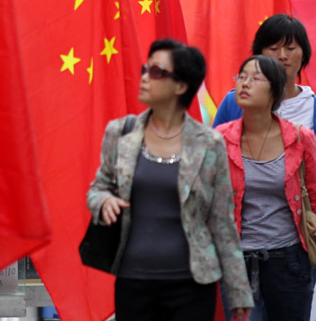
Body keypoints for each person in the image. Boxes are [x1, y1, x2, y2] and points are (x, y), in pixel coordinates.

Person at [87, 39, 253, 321]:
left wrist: (238, 292)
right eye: (145, 69)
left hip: (191, 286)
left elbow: (222, 220)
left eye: (156, 72)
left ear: (180, 86)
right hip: (133, 283)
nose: (144, 78)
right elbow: (98, 188)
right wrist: (104, 201)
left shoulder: (209, 143)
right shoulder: (121, 132)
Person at [213, 14, 316, 274]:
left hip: (298, 244)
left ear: (304, 54)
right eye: (273, 48)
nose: (282, 56)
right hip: (237, 242)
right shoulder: (234, 103)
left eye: (290, 48)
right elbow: (210, 168)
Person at [217, 55, 316, 321]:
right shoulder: (219, 140)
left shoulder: (301, 138)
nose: (244, 83)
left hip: (289, 264)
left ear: (275, 90)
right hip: (237, 263)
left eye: (255, 78)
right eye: (241, 76)